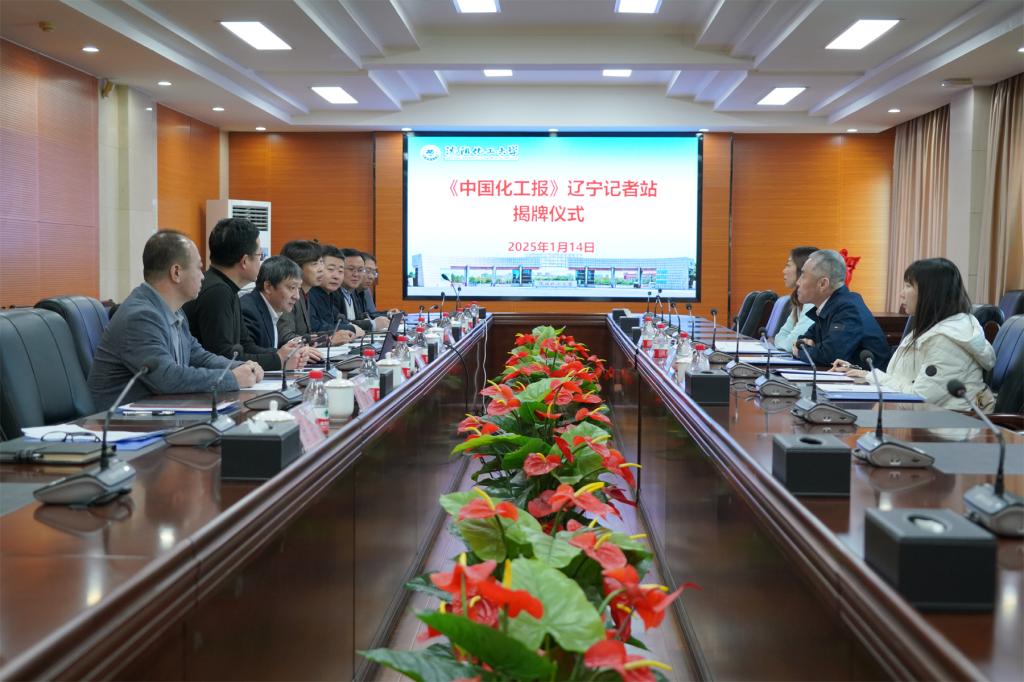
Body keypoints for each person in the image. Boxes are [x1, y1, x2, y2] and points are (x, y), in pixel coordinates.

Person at [88, 230, 260, 409]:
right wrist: (232, 378)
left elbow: (198, 356)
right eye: (198, 268)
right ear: (176, 272)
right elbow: (167, 378)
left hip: (158, 411)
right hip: (118, 419)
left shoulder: (175, 312)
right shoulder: (141, 317)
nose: (203, 276)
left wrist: (242, 367)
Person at [837, 258, 996, 411]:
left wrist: (871, 377)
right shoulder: (930, 329)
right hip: (914, 417)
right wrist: (864, 374)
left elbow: (918, 399)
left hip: (944, 425)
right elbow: (902, 380)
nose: (901, 294)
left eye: (908, 286)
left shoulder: (947, 341)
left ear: (931, 292)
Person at [183, 218, 311, 371]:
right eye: (259, 256)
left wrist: (286, 354)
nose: (261, 262)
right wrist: (278, 360)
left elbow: (246, 345)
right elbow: (224, 357)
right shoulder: (218, 292)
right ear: (244, 261)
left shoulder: (227, 288)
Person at [793, 249, 891, 368]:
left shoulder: (847, 308)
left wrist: (801, 352)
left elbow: (830, 355)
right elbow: (802, 340)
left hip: (871, 378)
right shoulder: (831, 306)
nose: (797, 282)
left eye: (803, 276)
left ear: (823, 284)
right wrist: (804, 347)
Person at [277, 241, 355, 346]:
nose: (321, 269)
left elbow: (307, 334)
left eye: (321, 262)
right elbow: (286, 338)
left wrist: (334, 335)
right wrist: (328, 340)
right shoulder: (287, 294)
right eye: (315, 264)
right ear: (297, 267)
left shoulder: (305, 293)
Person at [241, 255, 305, 351]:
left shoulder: (271, 308)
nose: (297, 296)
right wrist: (284, 355)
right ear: (268, 287)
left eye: (298, 289)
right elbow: (249, 353)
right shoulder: (248, 311)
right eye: (292, 288)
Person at [308, 244, 362, 336]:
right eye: (331, 269)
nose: (336, 276)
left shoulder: (329, 294)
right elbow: (315, 328)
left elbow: (338, 321)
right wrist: (352, 328)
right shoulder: (310, 293)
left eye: (340, 271)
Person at [773, 246, 818, 352]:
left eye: (788, 265)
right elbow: (780, 336)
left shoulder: (812, 302)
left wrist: (782, 343)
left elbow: (791, 344)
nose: (784, 271)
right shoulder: (799, 299)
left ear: (802, 269)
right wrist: (782, 343)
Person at [338, 248, 389, 332]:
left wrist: (388, 315)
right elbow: (337, 325)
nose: (356, 274)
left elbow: (360, 318)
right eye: (351, 269)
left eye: (360, 270)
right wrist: (372, 324)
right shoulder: (332, 294)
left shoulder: (352, 292)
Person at [358, 253, 401, 319]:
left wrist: (388, 314)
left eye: (374, 273)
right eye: (367, 271)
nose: (371, 277)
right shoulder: (348, 292)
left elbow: (371, 314)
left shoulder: (365, 290)